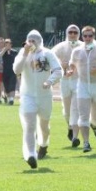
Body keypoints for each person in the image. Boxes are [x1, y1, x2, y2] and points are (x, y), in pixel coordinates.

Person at [13, 30, 62, 169]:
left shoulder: (47, 53)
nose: (31, 42)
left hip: (45, 96)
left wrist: (50, 81)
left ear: (40, 41)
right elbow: (16, 70)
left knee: (44, 126)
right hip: (27, 95)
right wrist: (24, 54)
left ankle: (44, 144)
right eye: (29, 40)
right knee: (29, 126)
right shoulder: (23, 53)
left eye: (34, 40)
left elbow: (58, 70)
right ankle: (30, 155)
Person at [69, 26, 96, 153]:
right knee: (83, 116)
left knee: (95, 117)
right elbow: (72, 63)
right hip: (82, 85)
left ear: (94, 36)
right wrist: (71, 70)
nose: (88, 38)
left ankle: (94, 125)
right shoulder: (77, 51)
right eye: (85, 36)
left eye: (90, 36)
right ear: (82, 37)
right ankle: (86, 143)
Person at [52, 25, 83, 147]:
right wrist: (60, 64)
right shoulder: (60, 46)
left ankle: (75, 137)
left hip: (78, 81)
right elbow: (51, 56)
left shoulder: (82, 46)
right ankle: (70, 125)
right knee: (67, 110)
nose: (73, 34)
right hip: (65, 81)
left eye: (75, 32)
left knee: (76, 109)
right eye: (70, 32)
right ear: (67, 33)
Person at [0, 38, 19, 105]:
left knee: (12, 85)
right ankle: (7, 97)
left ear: (11, 44)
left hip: (13, 71)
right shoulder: (3, 52)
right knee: (6, 86)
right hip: (5, 72)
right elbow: (0, 55)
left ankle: (11, 99)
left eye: (9, 44)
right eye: (6, 44)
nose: (8, 45)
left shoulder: (15, 52)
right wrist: (5, 49)